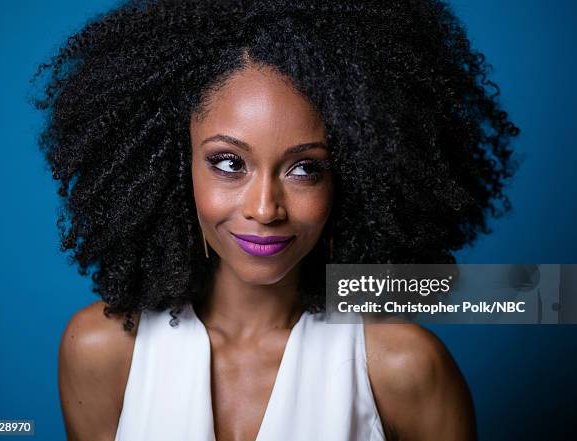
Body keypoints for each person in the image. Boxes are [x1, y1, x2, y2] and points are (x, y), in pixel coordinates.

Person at [33, 0, 519, 440]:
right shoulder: (102, 351)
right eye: (228, 163)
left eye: (305, 168)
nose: (265, 208)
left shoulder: (402, 368)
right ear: (172, 168)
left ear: (354, 178)